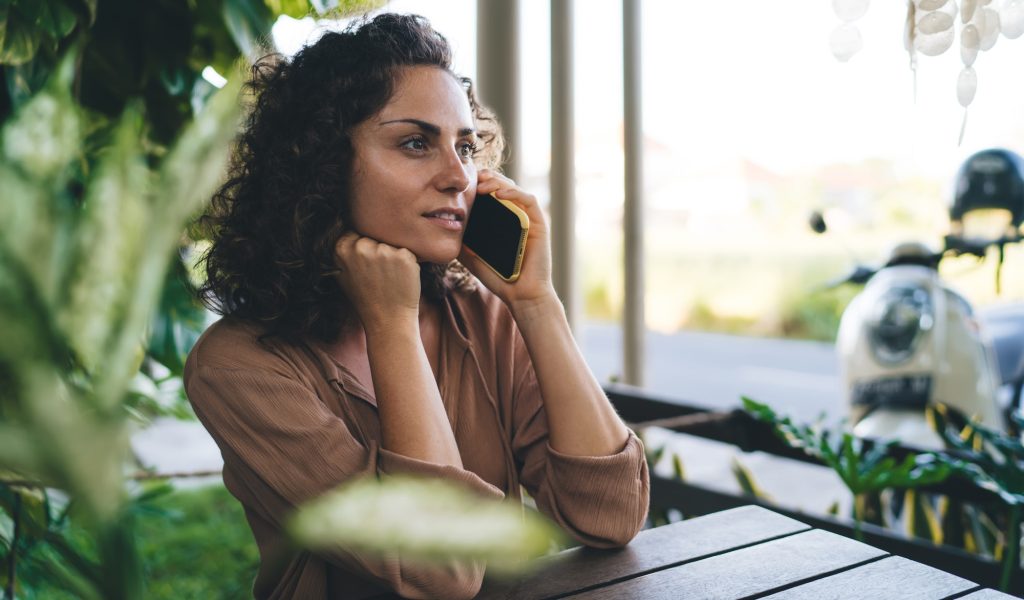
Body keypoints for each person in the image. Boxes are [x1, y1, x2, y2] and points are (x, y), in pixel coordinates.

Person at [185, 12, 649, 600]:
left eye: (465, 145)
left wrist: (536, 303)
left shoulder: (483, 315)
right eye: (414, 143)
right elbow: (441, 572)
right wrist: (391, 323)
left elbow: (610, 517)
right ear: (321, 167)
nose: (459, 175)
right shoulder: (238, 367)